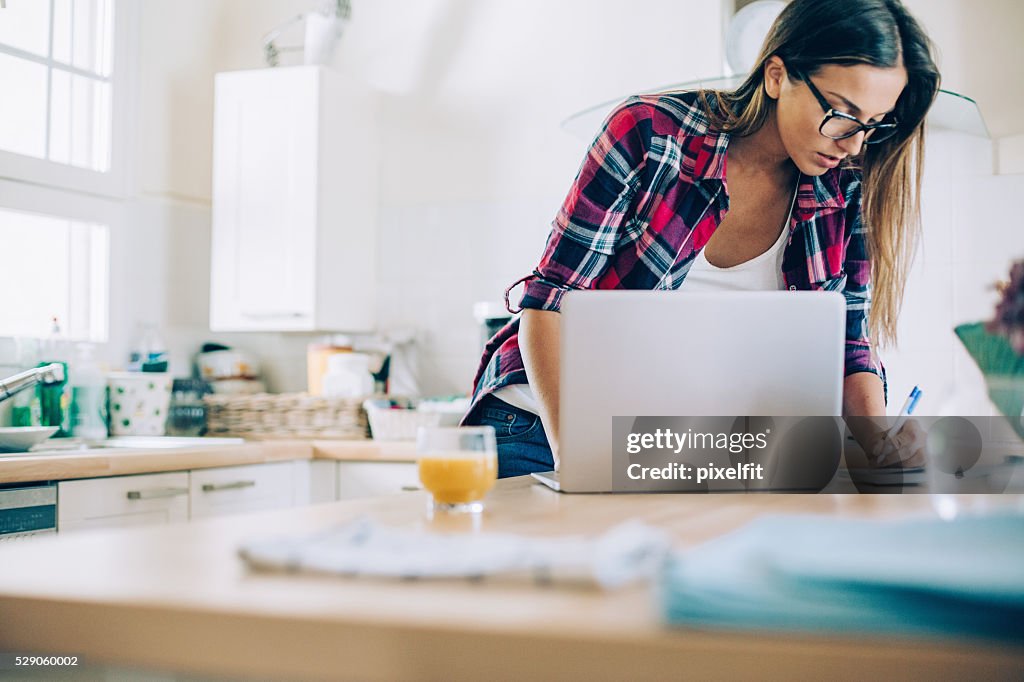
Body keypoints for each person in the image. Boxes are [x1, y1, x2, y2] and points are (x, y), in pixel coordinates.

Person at [463, 0, 940, 478]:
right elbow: (549, 304)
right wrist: (577, 461)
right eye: (840, 112)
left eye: (875, 122)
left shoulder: (846, 185)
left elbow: (848, 346)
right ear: (777, 75)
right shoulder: (650, 135)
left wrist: (879, 443)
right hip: (540, 426)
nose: (854, 142)